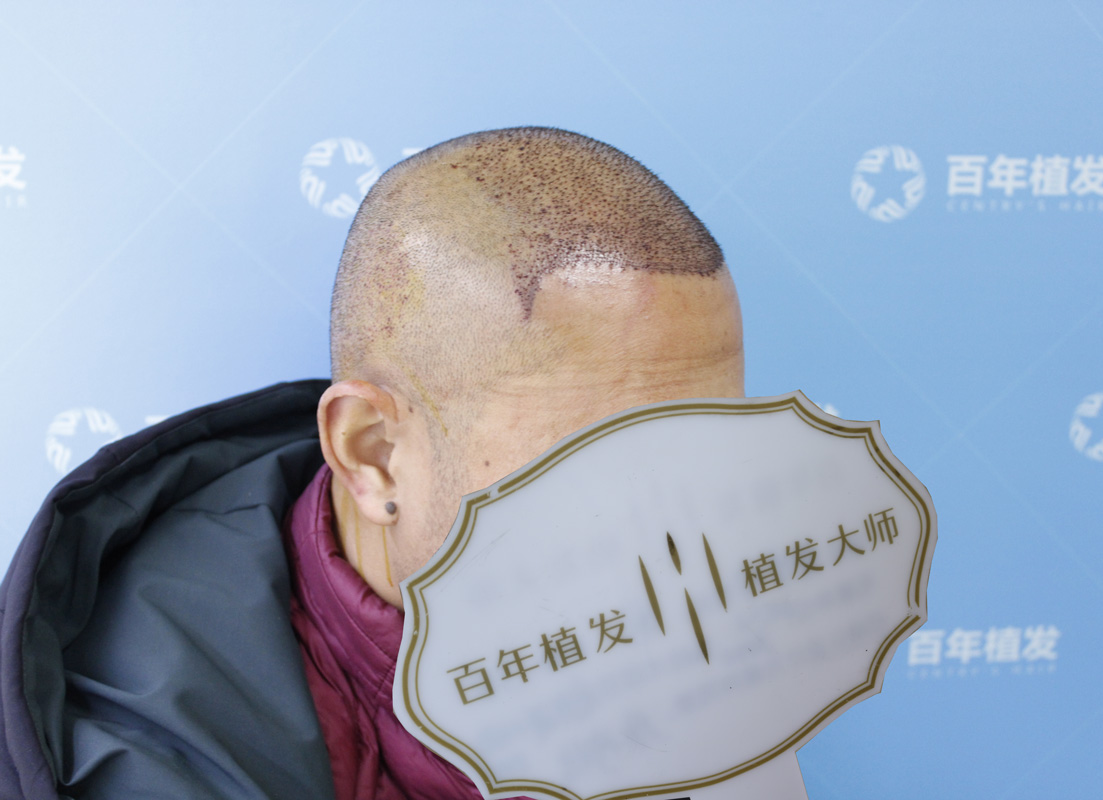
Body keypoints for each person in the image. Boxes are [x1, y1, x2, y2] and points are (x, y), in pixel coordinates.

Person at [0, 127, 745, 799]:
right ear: (373, 455)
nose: (674, 539)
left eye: (704, 452)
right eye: (589, 468)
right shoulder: (141, 757)